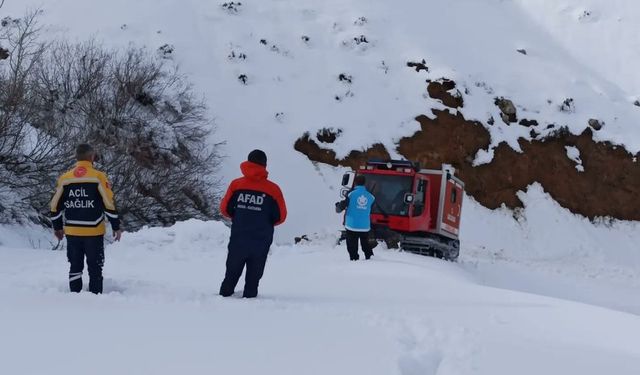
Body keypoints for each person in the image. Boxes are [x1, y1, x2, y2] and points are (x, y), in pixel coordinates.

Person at [50, 144, 122, 294]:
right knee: (95, 267)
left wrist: (57, 227)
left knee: (75, 266)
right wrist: (116, 225)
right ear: (92, 157)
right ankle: (95, 298)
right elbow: (108, 203)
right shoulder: (98, 177)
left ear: (76, 157)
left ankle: (75, 296)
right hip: (93, 232)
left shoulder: (65, 178)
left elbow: (54, 206)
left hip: (72, 231)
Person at [219, 150, 287, 298]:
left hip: (239, 236)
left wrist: (240, 216)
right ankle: (250, 302)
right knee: (254, 276)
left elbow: (225, 209)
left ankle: (224, 297)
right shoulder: (273, 189)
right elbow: (281, 216)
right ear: (264, 165)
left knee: (231, 272)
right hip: (261, 239)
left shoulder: (236, 185)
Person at [343, 175, 375, 260]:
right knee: (366, 244)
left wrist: (338, 206)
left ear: (355, 183)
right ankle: (370, 258)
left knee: (352, 246)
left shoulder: (350, 194)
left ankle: (354, 260)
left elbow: (341, 207)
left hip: (352, 225)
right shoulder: (371, 197)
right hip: (365, 226)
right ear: (364, 183)